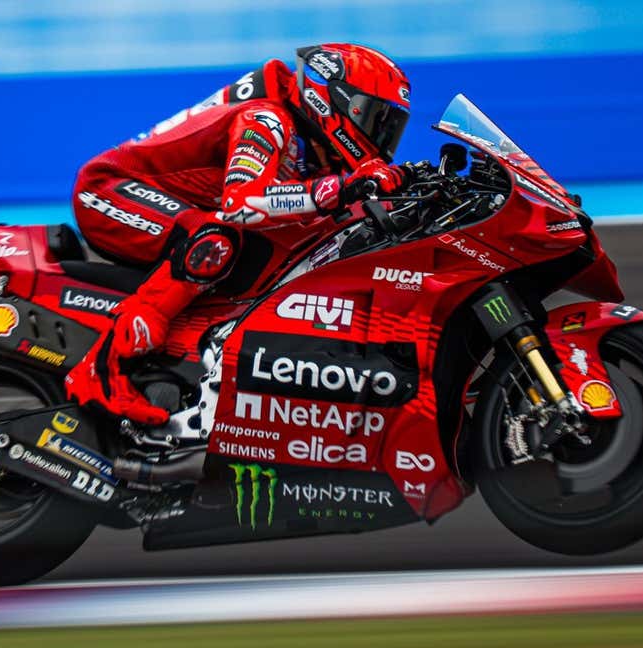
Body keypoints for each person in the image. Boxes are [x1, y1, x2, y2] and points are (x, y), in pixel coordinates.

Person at [65, 43, 415, 426]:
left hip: (170, 203)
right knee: (215, 239)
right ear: (334, 102)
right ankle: (101, 369)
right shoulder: (268, 120)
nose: (382, 137)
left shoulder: (312, 145)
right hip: (108, 189)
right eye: (376, 119)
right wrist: (341, 188)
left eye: (390, 127)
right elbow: (240, 203)